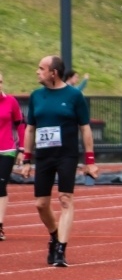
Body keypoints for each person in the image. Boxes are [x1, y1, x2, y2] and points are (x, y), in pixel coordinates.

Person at [19, 55, 99, 266]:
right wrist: (26, 159)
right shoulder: (36, 96)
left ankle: (61, 250)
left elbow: (85, 127)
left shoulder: (74, 96)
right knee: (41, 204)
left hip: (66, 155)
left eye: (41, 68)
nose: (37, 71)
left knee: (65, 199)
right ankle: (55, 236)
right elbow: (30, 129)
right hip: (44, 156)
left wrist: (90, 160)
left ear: (53, 73)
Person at [0, 72, 25, 241]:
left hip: (7, 150)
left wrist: (22, 150)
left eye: (0, 81)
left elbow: (20, 125)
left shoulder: (11, 101)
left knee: (0, 185)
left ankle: (0, 224)